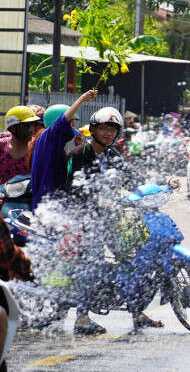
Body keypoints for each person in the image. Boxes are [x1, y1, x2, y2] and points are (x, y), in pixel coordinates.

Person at [66, 107, 165, 334]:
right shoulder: (80, 154)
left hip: (110, 218)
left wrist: (160, 185)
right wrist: (96, 201)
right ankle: (81, 319)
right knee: (91, 264)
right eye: (103, 128)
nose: (108, 133)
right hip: (84, 219)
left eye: (112, 129)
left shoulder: (114, 154)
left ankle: (137, 312)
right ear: (93, 130)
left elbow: (133, 178)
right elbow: (72, 187)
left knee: (130, 259)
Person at [31, 90, 97, 210]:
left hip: (49, 204)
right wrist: (82, 99)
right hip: (47, 206)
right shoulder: (49, 136)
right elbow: (62, 121)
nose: (73, 126)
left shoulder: (50, 142)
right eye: (71, 122)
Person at [0, 107, 39, 187]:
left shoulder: (37, 146)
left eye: (33, 125)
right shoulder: (1, 146)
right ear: (13, 128)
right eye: (27, 126)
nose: (32, 129)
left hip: (30, 198)